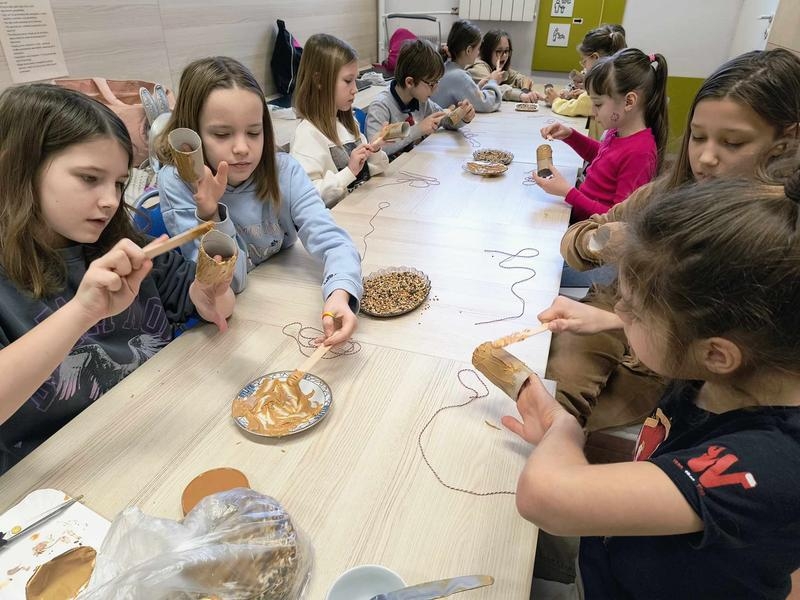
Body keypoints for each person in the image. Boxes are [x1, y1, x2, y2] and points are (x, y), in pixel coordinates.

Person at [508, 165, 800, 599]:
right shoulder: (730, 370)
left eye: (633, 308)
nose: (620, 309)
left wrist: (564, 428)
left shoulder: (771, 462)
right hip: (619, 566)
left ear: (717, 353)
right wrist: (609, 319)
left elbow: (544, 497)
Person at [547, 48, 800, 433]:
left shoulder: (776, 243)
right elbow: (576, 241)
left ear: (786, 142)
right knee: (544, 399)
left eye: (732, 143)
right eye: (698, 137)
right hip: (615, 321)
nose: (707, 158)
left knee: (558, 425)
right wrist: (609, 242)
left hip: (662, 363)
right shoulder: (666, 194)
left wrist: (617, 320)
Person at [0, 84, 235, 474]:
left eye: (118, 183)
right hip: (61, 478)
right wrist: (82, 311)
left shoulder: (125, 243)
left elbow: (210, 305)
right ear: (16, 168)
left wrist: (209, 295)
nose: (110, 200)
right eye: (90, 179)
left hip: (158, 435)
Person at [156, 57, 362, 345]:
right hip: (229, 332)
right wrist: (210, 213)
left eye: (254, 132)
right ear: (193, 134)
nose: (242, 148)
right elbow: (234, 282)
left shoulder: (283, 170)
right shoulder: (179, 184)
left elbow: (335, 242)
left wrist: (340, 293)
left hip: (278, 303)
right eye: (222, 134)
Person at [533, 48, 669, 222]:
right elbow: (603, 158)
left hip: (590, 235)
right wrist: (570, 135)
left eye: (598, 104)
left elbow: (616, 219)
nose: (592, 111)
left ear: (629, 101)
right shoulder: (618, 130)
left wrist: (568, 192)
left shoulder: (640, 153)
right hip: (580, 218)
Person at [290, 33, 389, 208]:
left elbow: (375, 169)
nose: (355, 90)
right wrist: (349, 172)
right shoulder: (307, 134)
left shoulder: (347, 122)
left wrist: (375, 148)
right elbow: (306, 199)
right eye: (348, 81)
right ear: (319, 80)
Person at [365, 39, 475, 159]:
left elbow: (445, 120)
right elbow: (374, 149)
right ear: (410, 82)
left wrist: (462, 116)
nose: (436, 90)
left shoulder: (421, 102)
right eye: (431, 84)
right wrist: (418, 129)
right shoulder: (381, 106)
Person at [544, 24, 627, 128]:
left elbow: (575, 107)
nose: (584, 67)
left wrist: (555, 100)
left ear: (595, 58)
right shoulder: (618, 76)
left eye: (584, 62)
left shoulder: (600, 84)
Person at [431, 20, 502, 113]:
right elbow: (486, 104)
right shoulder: (459, 76)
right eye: (478, 48)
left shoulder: (447, 67)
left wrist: (478, 87)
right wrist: (493, 82)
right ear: (468, 50)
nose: (478, 53)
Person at [466, 29, 539, 103]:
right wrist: (522, 95)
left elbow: (521, 78)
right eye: (499, 51)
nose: (504, 55)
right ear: (487, 51)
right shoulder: (478, 67)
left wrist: (525, 89)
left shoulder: (497, 67)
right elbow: (494, 88)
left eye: (506, 51)